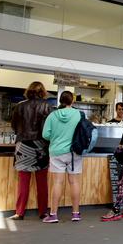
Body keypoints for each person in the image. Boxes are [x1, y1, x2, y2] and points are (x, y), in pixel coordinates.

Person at [8, 81, 54, 220]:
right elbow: (49, 129)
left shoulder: (20, 105)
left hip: (23, 145)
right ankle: (43, 212)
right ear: (43, 92)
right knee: (42, 182)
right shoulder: (48, 106)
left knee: (23, 180)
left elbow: (14, 126)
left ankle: (19, 212)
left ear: (28, 91)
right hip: (41, 146)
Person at [41, 91, 82, 223]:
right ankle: (75, 214)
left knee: (57, 182)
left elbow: (45, 135)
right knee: (74, 182)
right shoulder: (78, 114)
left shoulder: (52, 115)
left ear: (60, 101)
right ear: (72, 101)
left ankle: (53, 215)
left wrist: (56, 137)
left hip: (57, 152)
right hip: (74, 152)